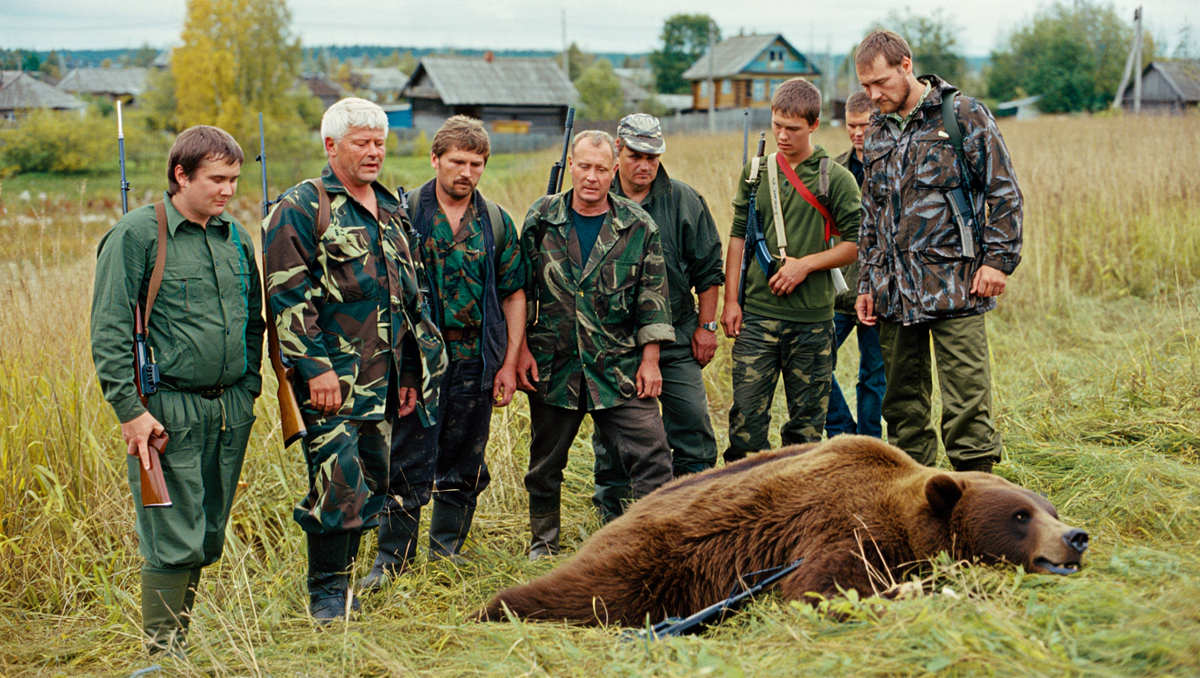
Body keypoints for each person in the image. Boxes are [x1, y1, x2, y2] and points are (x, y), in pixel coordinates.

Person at [263, 98, 447, 621]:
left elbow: (408, 296)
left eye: (379, 142)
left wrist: (411, 371)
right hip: (329, 380)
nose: (374, 152)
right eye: (361, 142)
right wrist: (315, 368)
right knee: (336, 482)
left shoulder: (391, 207)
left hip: (382, 381)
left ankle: (345, 586)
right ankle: (325, 595)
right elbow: (287, 296)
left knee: (370, 481)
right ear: (331, 146)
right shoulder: (302, 205)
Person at [91, 125, 263, 656]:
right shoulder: (138, 235)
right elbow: (110, 329)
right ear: (180, 175)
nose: (228, 190)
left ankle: (178, 644)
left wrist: (250, 386)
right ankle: (164, 655)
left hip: (230, 408)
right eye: (216, 178)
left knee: (208, 532)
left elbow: (253, 321)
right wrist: (130, 411)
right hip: (165, 413)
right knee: (173, 533)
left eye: (234, 178)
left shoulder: (235, 236)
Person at [363, 116, 526, 586]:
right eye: (457, 161)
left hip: (478, 359)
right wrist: (398, 369)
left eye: (476, 164)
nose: (467, 172)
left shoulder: (495, 221)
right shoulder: (404, 213)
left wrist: (509, 364)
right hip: (418, 365)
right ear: (435, 160)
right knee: (408, 458)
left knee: (465, 460)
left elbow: (515, 293)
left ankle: (446, 554)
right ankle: (392, 562)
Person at [853, 30, 1023, 472]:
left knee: (967, 401)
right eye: (865, 87)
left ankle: (977, 497)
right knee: (903, 407)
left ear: (906, 65)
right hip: (893, 293)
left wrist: (997, 262)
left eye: (881, 83)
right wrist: (868, 283)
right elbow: (871, 213)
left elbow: (1004, 192)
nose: (873, 95)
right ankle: (917, 502)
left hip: (957, 286)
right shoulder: (874, 128)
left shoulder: (962, 114)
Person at [516, 130, 674, 559]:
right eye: (584, 167)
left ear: (614, 169)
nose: (591, 177)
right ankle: (543, 544)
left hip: (617, 366)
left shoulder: (638, 225)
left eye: (601, 169)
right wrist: (519, 351)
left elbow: (653, 299)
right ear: (571, 165)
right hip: (554, 365)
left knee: (653, 455)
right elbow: (519, 291)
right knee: (545, 465)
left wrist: (651, 360)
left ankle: (650, 540)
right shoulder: (541, 218)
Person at [589, 113, 724, 523]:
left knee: (693, 425)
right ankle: (612, 516)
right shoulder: (594, 198)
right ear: (618, 152)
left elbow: (709, 271)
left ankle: (693, 511)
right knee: (612, 437)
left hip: (678, 337)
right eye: (635, 155)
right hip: (615, 344)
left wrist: (707, 327)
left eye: (652, 155)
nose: (644, 165)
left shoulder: (684, 201)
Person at [720, 78, 861, 462]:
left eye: (793, 129)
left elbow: (856, 243)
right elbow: (736, 238)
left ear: (814, 125)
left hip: (813, 323)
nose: (782, 135)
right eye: (777, 125)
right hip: (757, 318)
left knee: (805, 433)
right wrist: (731, 302)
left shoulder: (836, 178)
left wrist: (806, 265)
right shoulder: (755, 172)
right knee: (745, 429)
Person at [825, 91, 886, 438]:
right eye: (851, 125)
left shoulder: (893, 170)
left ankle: (870, 443)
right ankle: (843, 436)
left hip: (880, 296)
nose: (858, 132)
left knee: (873, 377)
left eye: (865, 124)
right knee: (815, 363)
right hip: (838, 293)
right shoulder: (833, 171)